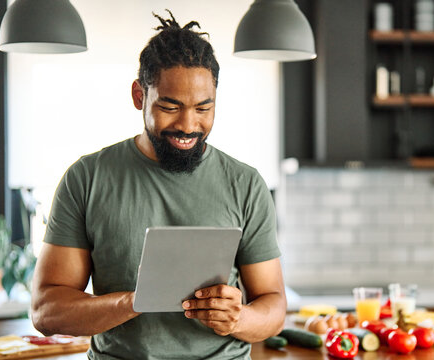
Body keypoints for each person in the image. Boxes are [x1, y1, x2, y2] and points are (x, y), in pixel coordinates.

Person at [31, 10, 286, 360]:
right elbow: (46, 311)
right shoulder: (86, 178)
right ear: (139, 96)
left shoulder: (245, 183)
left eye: (203, 108)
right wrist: (134, 301)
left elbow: (273, 307)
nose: (188, 124)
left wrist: (237, 319)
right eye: (170, 106)